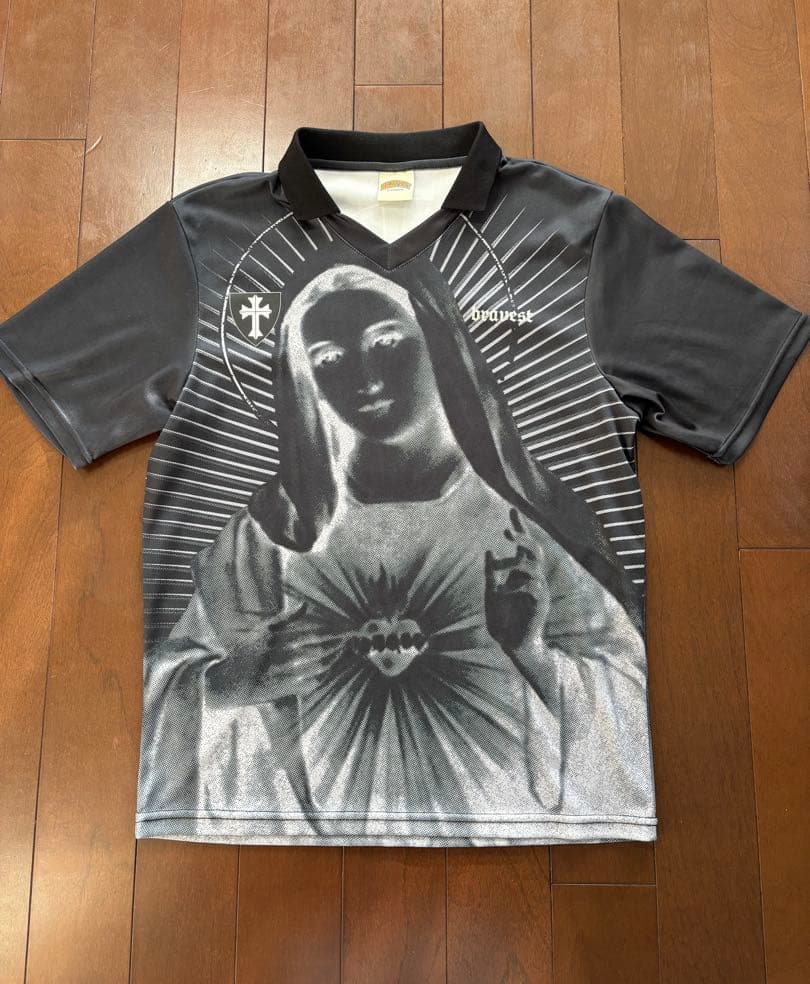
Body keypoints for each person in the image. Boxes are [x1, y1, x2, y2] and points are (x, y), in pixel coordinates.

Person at [137, 262, 653, 840]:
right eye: (329, 359)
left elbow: (629, 695)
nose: (364, 378)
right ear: (307, 380)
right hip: (310, 850)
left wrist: (530, 652)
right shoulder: (269, 536)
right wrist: (234, 681)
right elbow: (169, 690)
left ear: (438, 345)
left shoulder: (529, 521)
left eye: (385, 343)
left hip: (508, 835)